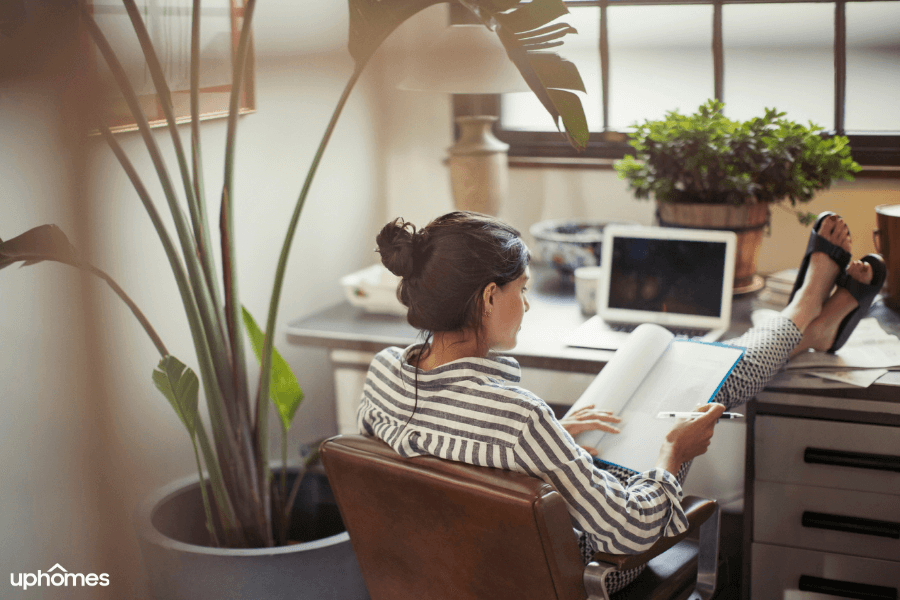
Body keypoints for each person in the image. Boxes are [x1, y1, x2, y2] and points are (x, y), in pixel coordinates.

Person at [357, 210, 874, 594]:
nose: (528, 303)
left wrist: (553, 436)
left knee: (691, 382)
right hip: (575, 573)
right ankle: (807, 310)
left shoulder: (382, 373)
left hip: (444, 576)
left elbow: (445, 464)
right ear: (490, 297)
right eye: (523, 288)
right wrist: (672, 454)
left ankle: (810, 325)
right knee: (709, 386)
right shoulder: (518, 421)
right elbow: (627, 533)